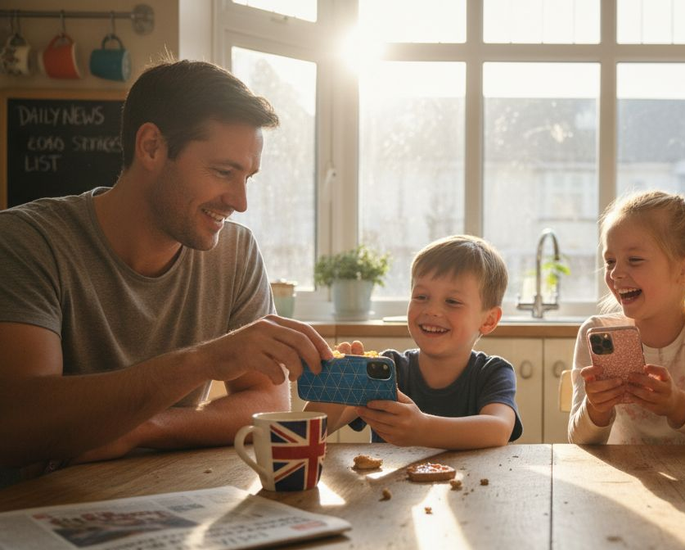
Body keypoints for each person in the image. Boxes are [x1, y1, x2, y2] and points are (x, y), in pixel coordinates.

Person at [0, 60, 333, 481]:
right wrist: (202, 361)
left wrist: (142, 428)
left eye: (248, 177)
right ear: (152, 147)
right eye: (224, 172)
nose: (239, 201)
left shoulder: (236, 251)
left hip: (166, 495)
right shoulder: (27, 242)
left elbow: (267, 401)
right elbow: (14, 420)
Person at [568, 190, 685, 445]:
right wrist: (596, 409)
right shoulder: (596, 332)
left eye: (634, 260)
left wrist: (678, 405)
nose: (616, 273)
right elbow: (578, 440)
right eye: (610, 261)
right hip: (618, 482)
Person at [307, 235, 522, 449]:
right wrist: (335, 384)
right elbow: (309, 430)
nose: (432, 310)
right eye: (421, 297)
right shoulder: (387, 370)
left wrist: (423, 429)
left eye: (452, 302)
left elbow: (498, 429)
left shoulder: (493, 372)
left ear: (488, 320)